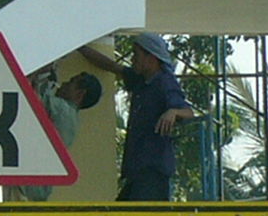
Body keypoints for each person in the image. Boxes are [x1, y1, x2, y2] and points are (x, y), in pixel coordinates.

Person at [79, 34, 193, 201]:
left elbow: (188, 112)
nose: (132, 59)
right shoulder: (141, 80)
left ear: (151, 58)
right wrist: (79, 49)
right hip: (138, 172)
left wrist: (173, 112)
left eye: (136, 55)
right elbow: (112, 66)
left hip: (152, 172)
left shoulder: (164, 83)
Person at [14, 66, 102, 201]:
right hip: (36, 187)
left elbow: (29, 97)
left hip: (25, 185)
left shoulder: (62, 110)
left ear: (80, 94)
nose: (64, 84)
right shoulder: (71, 118)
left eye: (71, 82)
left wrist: (35, 71)